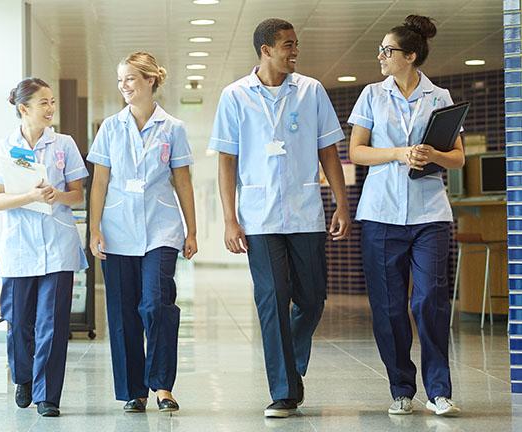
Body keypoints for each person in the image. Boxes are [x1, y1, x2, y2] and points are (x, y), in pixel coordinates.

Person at [209, 18, 350, 418]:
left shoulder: (311, 91)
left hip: (306, 213)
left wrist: (341, 203)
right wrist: (229, 219)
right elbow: (226, 160)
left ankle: (287, 361)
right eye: (287, 45)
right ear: (265, 50)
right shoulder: (235, 95)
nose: (294, 51)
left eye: (295, 44)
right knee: (271, 299)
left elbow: (328, 150)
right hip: (258, 216)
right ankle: (284, 389)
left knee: (312, 299)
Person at [347, 15, 464, 417]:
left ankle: (438, 390)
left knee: (430, 299)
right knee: (390, 306)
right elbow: (357, 152)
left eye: (388, 50)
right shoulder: (371, 95)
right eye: (381, 50)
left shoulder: (440, 96)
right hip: (381, 214)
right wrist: (399, 153)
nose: (380, 56)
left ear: (410, 56)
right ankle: (401, 387)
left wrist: (432, 154)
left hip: (430, 213)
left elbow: (459, 157)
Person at [87, 52, 197, 413]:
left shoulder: (173, 129)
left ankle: (162, 384)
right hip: (118, 231)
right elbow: (100, 181)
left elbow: (183, 181)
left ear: (150, 80)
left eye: (131, 79)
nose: (124, 87)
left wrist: (191, 231)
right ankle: (134, 391)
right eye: (120, 81)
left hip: (161, 230)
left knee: (156, 304)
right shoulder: (110, 127)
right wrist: (94, 229)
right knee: (122, 314)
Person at [0, 78, 89, 417]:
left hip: (57, 244)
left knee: (53, 324)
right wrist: (29, 196)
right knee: (19, 322)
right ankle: (25, 378)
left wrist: (57, 195)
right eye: (44, 103)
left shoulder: (64, 144)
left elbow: (78, 194)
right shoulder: (3, 148)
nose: (51, 109)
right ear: (23, 109)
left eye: (52, 102)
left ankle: (47, 396)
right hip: (18, 247)